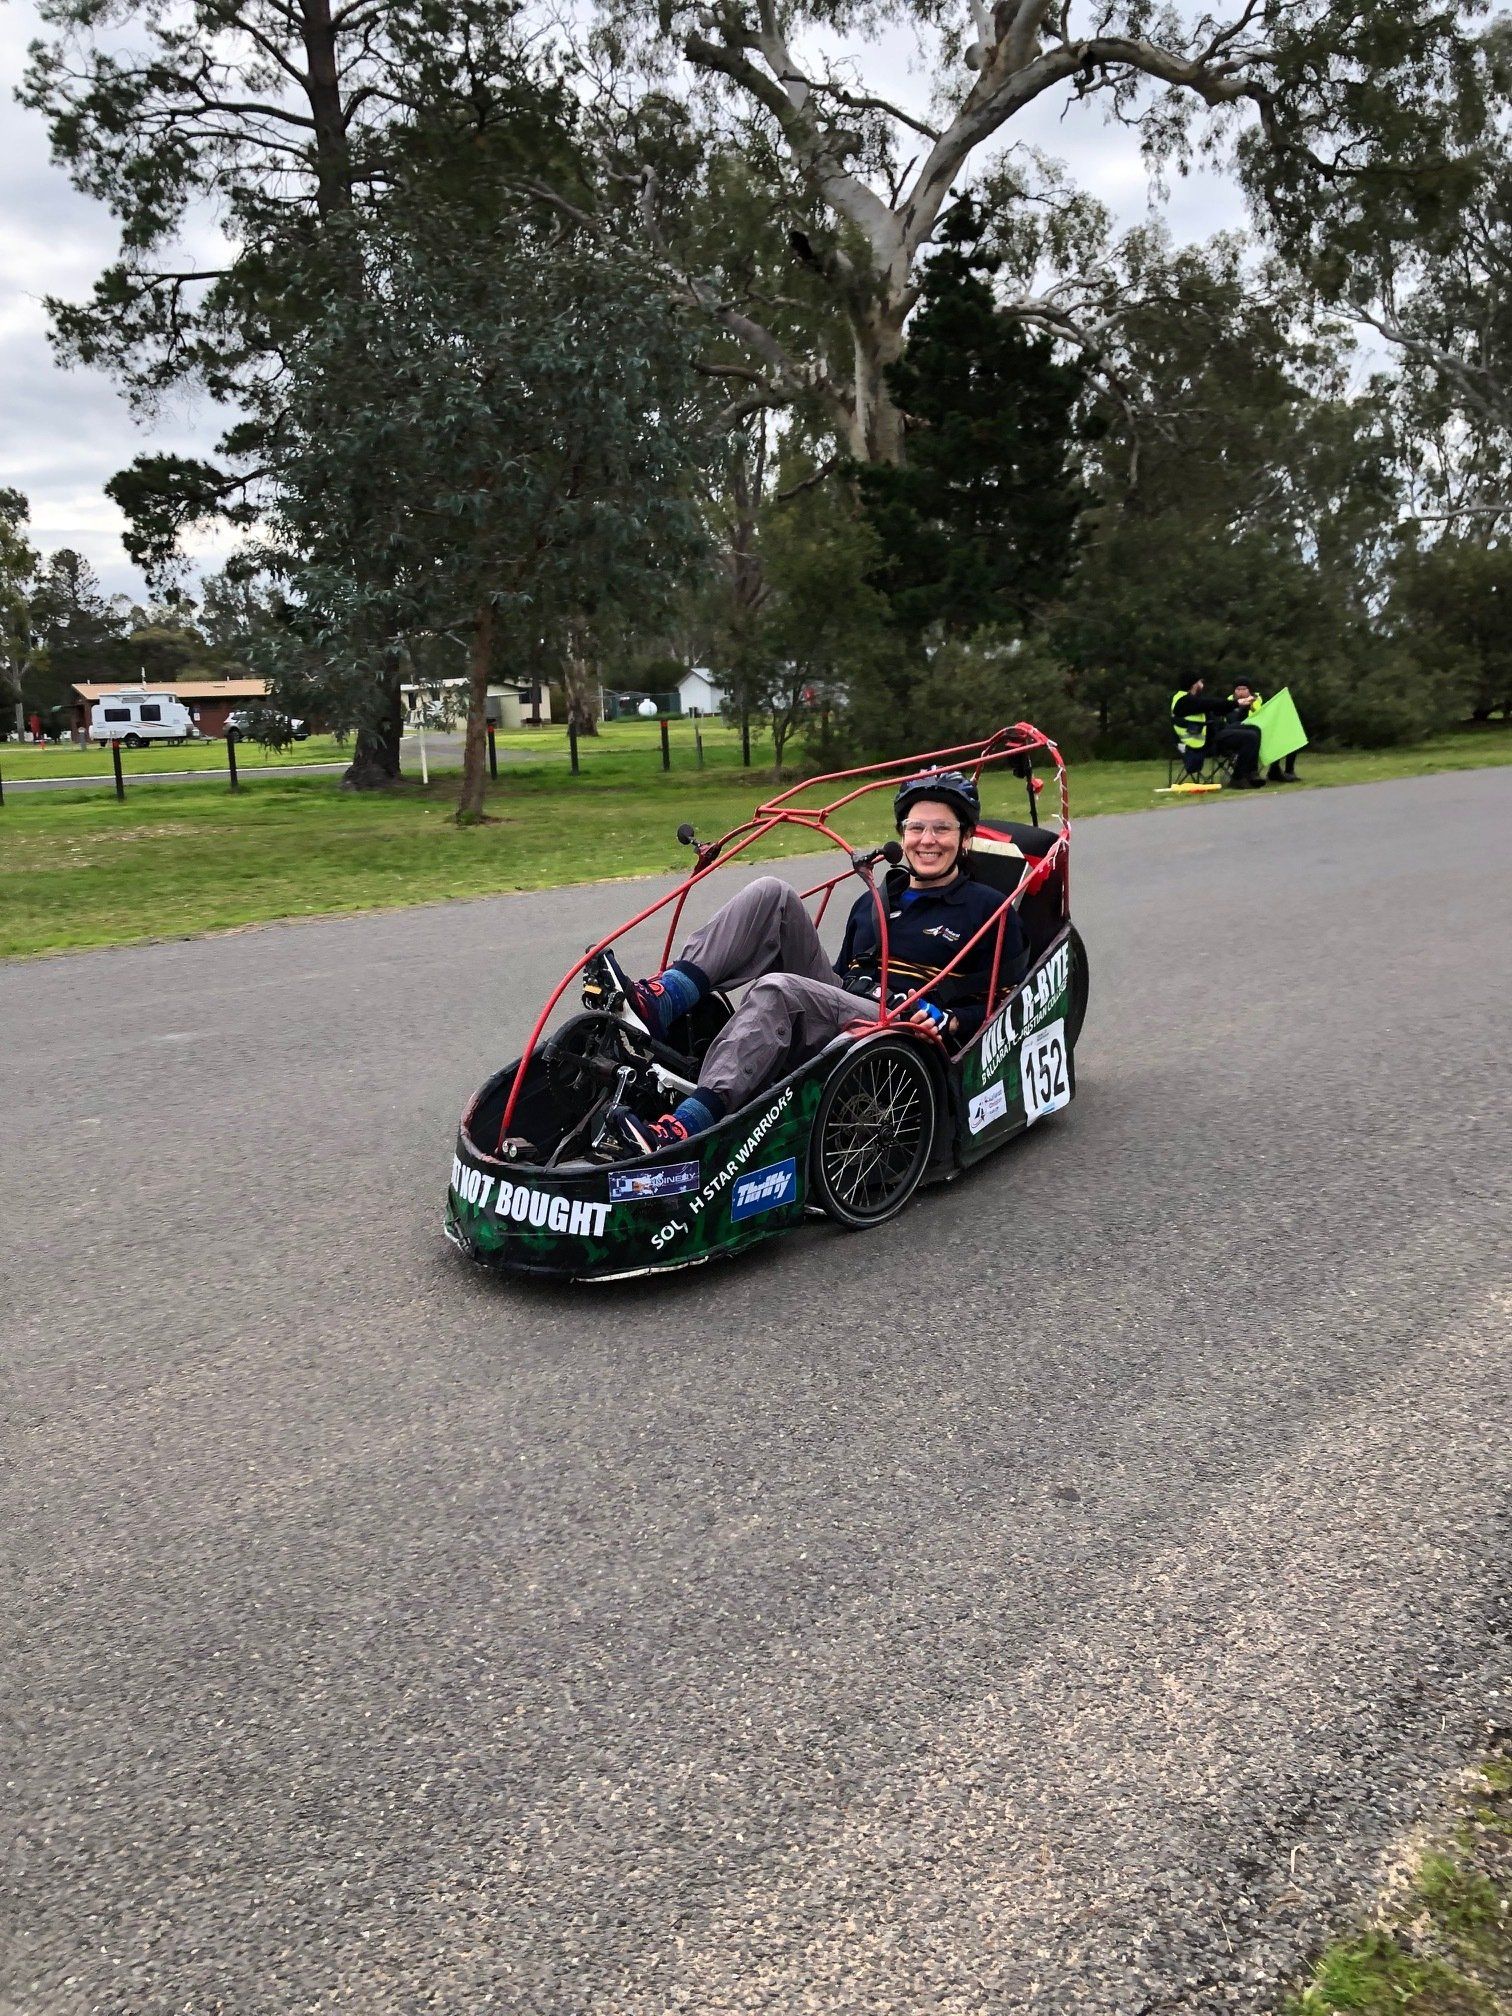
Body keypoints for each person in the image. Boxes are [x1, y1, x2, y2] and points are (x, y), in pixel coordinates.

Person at [585, 770, 1026, 1155]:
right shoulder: (874, 899)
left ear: (966, 838)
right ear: (902, 833)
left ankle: (685, 1128)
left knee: (779, 989)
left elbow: (1009, 1004)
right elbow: (840, 976)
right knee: (770, 891)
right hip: (851, 1001)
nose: (927, 840)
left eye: (943, 829)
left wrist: (949, 1021)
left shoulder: (988, 908)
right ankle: (661, 1002)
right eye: (916, 827)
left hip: (902, 1024)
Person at [1216, 682, 1266, 788]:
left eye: (1244, 689)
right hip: (1229, 736)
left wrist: (1249, 705)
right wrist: (1242, 706)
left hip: (1247, 732)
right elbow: (1234, 720)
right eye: (1238, 689)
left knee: (1255, 730)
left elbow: (1259, 716)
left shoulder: (1256, 700)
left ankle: (1253, 772)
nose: (1241, 692)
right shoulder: (1230, 702)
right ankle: (1239, 777)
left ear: (1249, 690)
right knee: (1250, 735)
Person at [1170, 680, 1211, 779]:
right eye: (1199, 683)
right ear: (1193, 685)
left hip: (1202, 737)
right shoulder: (1186, 699)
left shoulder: (1194, 698)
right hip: (1193, 740)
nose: (1202, 685)